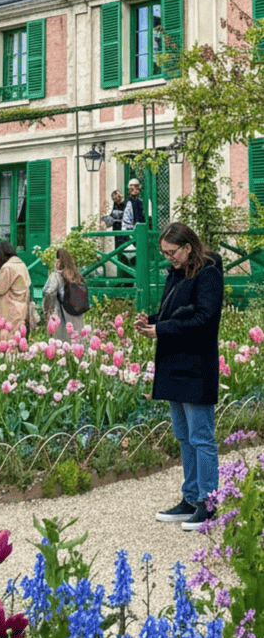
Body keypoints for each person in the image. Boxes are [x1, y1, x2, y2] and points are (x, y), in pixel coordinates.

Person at [135, 222, 224, 531]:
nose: (168, 258)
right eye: (164, 253)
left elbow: (204, 320)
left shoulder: (208, 274)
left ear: (188, 248)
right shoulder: (176, 274)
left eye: (172, 252)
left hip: (197, 365)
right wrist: (152, 321)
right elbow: (174, 315)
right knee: (184, 436)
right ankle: (189, 498)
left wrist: (161, 329)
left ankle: (208, 503)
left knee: (201, 436)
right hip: (174, 364)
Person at [0, 241, 31, 350]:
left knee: (5, 343)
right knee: (17, 343)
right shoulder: (22, 265)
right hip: (21, 309)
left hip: (8, 310)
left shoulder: (8, 267)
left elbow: (0, 288)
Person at [42, 248, 89, 341]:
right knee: (77, 342)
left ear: (59, 261)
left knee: (62, 345)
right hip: (78, 317)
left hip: (62, 316)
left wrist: (47, 313)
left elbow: (48, 292)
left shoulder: (56, 276)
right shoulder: (77, 276)